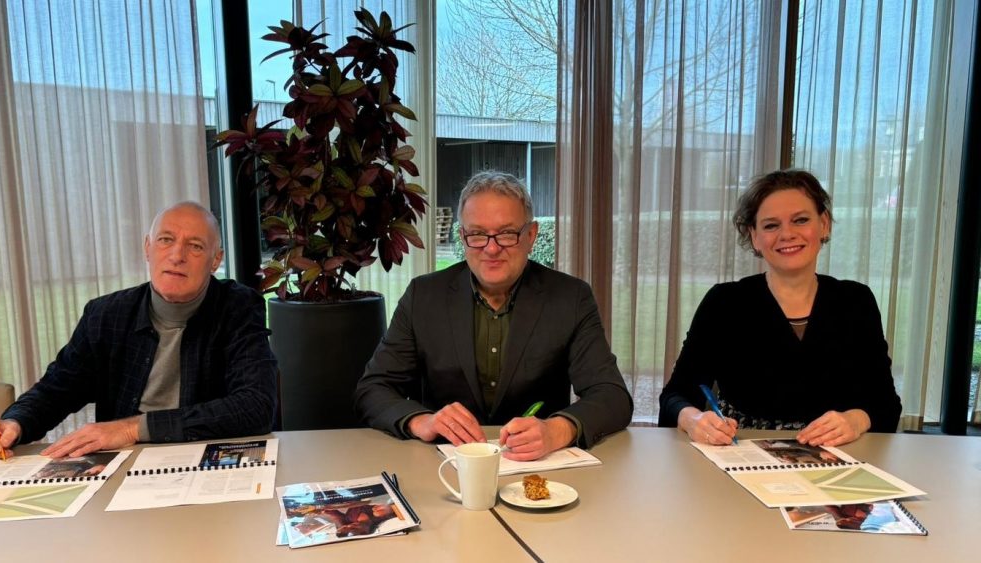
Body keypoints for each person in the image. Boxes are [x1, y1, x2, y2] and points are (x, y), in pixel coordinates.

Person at [354, 171, 633, 461]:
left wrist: (557, 430)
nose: (491, 248)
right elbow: (373, 389)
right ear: (463, 236)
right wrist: (422, 421)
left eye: (507, 233)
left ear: (531, 235)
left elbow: (612, 396)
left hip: (539, 469)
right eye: (477, 234)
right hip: (443, 465)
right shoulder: (423, 296)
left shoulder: (571, 297)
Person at [0, 202, 277, 459]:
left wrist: (130, 429)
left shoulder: (237, 307)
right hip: (122, 468)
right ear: (147, 248)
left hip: (208, 460)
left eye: (195, 246)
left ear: (215, 260)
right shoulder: (107, 314)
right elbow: (57, 390)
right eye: (166, 240)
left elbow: (255, 405)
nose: (177, 255)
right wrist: (13, 423)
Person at [658, 169, 901, 446]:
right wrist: (694, 420)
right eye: (771, 225)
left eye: (800, 220)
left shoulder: (856, 301)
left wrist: (856, 420)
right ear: (754, 236)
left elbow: (886, 403)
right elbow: (675, 396)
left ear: (824, 225)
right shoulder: (724, 302)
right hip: (741, 458)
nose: (787, 234)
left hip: (839, 458)